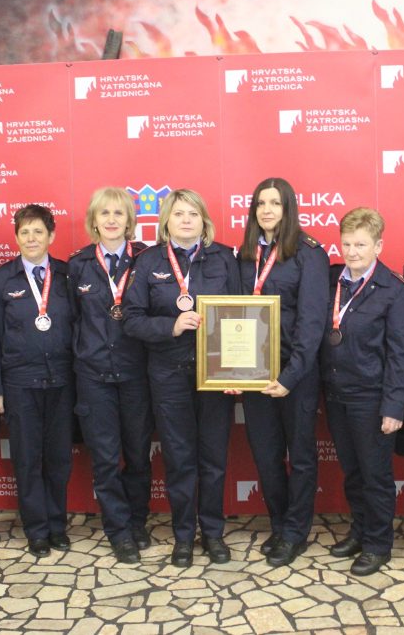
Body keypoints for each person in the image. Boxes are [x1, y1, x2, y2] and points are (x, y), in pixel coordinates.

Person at [123, 189, 240, 567]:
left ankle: (214, 533)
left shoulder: (224, 258)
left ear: (204, 220)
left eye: (193, 213)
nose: (186, 220)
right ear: (166, 222)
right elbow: (131, 319)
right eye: (178, 214)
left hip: (215, 375)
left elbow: (242, 315)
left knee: (214, 458)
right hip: (168, 374)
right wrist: (169, 326)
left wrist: (239, 369)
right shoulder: (148, 261)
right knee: (179, 459)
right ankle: (184, 537)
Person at [236, 177, 329, 567]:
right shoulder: (244, 255)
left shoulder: (309, 254)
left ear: (288, 207)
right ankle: (279, 524)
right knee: (266, 454)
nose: (267, 210)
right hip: (253, 372)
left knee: (301, 456)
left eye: (275, 203)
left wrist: (290, 378)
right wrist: (233, 371)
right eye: (261, 203)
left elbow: (312, 323)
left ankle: (295, 532)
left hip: (296, 375)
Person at [0, 204, 75, 559]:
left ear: (51, 236)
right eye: (25, 232)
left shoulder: (67, 275)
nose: (32, 238)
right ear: (16, 237)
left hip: (62, 382)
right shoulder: (1, 279)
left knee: (59, 459)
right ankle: (37, 530)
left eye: (38, 232)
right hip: (20, 384)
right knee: (28, 460)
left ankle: (57, 526)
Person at [320, 207, 404, 576]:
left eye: (360, 244)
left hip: (371, 397)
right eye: (346, 244)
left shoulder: (394, 290)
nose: (352, 251)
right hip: (336, 392)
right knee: (353, 472)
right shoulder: (331, 280)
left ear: (378, 246)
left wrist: (394, 406)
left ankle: (378, 543)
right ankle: (359, 531)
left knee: (375, 475)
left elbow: (401, 353)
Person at [68, 188, 153, 564]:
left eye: (119, 213)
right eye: (104, 213)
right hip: (94, 376)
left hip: (136, 373)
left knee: (138, 455)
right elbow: (72, 320)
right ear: (94, 220)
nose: (112, 219)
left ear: (129, 220)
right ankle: (118, 531)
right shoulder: (78, 265)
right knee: (104, 459)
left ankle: (136, 522)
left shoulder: (147, 259)